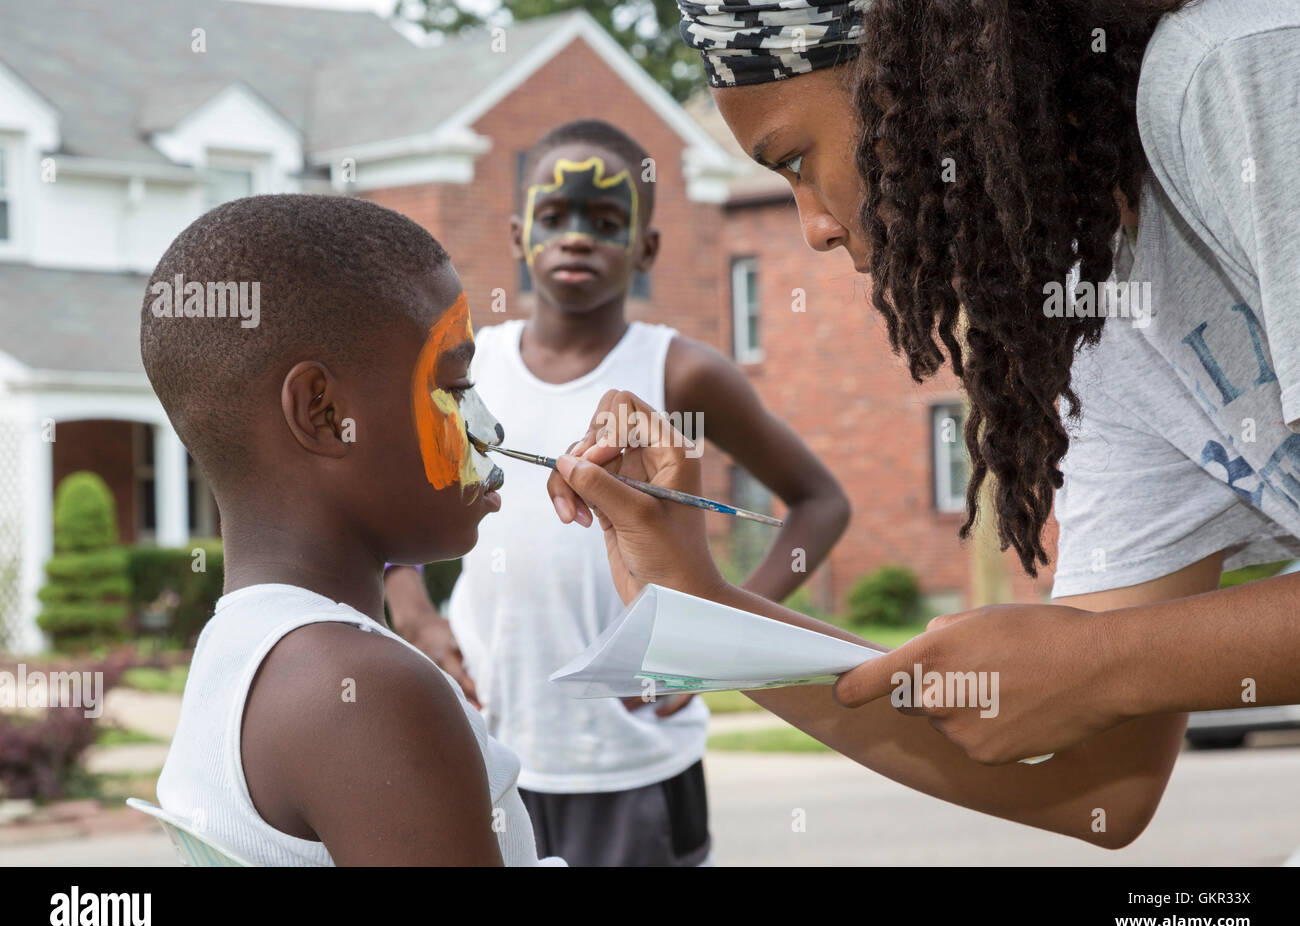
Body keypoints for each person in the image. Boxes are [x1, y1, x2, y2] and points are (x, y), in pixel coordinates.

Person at [543, 0, 1300, 848]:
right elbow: (1092, 787)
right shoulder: (1100, 312)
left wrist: (1101, 663)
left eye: (796, 161)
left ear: (931, 73)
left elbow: (1098, 681)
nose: (815, 229)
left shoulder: (1243, 71)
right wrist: (701, 606)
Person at [384, 119, 850, 866]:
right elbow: (393, 510)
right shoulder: (467, 368)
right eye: (553, 218)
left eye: (605, 222)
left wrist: (714, 653)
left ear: (646, 248)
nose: (576, 238)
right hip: (490, 756)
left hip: (637, 768)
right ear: (517, 235)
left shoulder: (682, 373)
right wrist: (414, 616)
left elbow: (821, 503)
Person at [146, 194, 563, 865]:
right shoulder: (367, 691)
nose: (488, 430)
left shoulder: (243, 654)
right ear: (322, 411)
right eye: (454, 389)